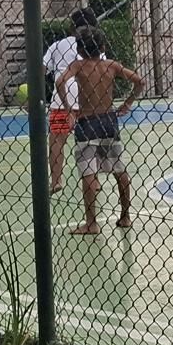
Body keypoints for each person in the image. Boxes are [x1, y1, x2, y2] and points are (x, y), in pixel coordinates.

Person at [52, 25, 144, 235]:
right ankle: (125, 216)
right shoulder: (111, 65)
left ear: (79, 49)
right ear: (102, 47)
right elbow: (140, 81)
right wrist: (128, 102)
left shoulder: (78, 66)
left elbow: (59, 82)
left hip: (87, 123)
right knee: (119, 169)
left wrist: (68, 109)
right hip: (109, 121)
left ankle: (92, 222)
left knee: (88, 171)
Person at [43, 8, 98, 191]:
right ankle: (93, 180)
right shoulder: (94, 43)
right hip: (87, 96)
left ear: (72, 26)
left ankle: (56, 181)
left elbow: (43, 69)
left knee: (57, 140)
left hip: (62, 96)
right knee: (89, 140)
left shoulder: (58, 45)